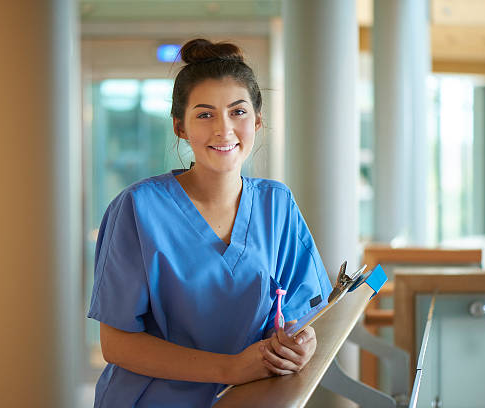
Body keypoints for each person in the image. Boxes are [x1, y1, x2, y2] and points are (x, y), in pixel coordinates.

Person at [87, 38, 333, 407]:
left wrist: (302, 345)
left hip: (250, 398)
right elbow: (116, 344)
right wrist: (230, 369)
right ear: (180, 127)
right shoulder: (138, 209)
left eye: (238, 112)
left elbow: (302, 315)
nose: (224, 129)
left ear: (258, 121)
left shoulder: (277, 205)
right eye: (205, 114)